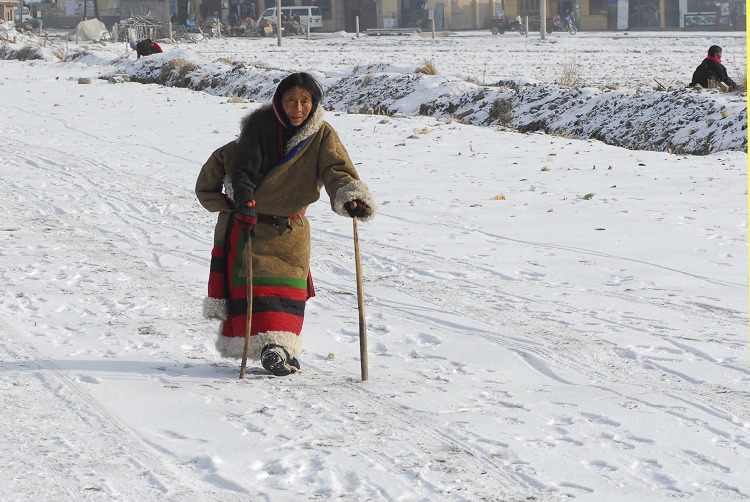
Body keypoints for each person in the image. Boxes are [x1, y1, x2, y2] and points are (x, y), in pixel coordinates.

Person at [195, 72, 376, 376]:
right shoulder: (256, 130)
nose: (298, 107)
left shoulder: (321, 136)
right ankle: (275, 350)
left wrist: (350, 196)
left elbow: (336, 169)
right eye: (291, 99)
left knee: (287, 294)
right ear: (279, 101)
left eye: (305, 100)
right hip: (250, 226)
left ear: (314, 103)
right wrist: (239, 201)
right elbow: (229, 175)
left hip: (291, 232)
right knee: (258, 294)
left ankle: (279, 350)